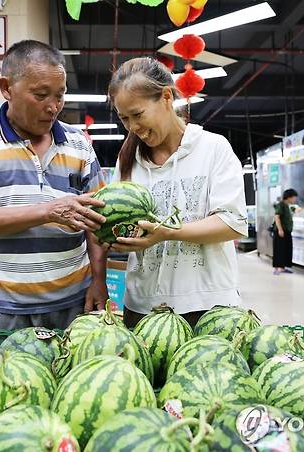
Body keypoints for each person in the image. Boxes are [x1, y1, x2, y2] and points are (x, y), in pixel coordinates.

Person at [0, 40, 109, 331]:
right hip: (3, 309)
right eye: (41, 95)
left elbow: (97, 221)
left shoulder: (79, 145)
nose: (53, 107)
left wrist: (99, 279)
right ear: (6, 88)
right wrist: (48, 212)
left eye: (60, 95)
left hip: (72, 304)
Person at [106, 57, 248, 329]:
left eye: (138, 114)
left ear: (167, 97)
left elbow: (232, 223)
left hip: (207, 306)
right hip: (141, 307)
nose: (132, 127)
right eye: (124, 119)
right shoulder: (128, 161)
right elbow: (117, 226)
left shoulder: (213, 148)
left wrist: (168, 233)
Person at [272, 188, 298, 275]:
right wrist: (280, 229)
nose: (295, 199)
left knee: (286, 249)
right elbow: (277, 216)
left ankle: (283, 267)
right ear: (289, 197)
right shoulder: (281, 205)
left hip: (286, 231)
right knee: (280, 249)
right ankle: (278, 268)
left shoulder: (287, 206)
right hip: (281, 231)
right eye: (294, 197)